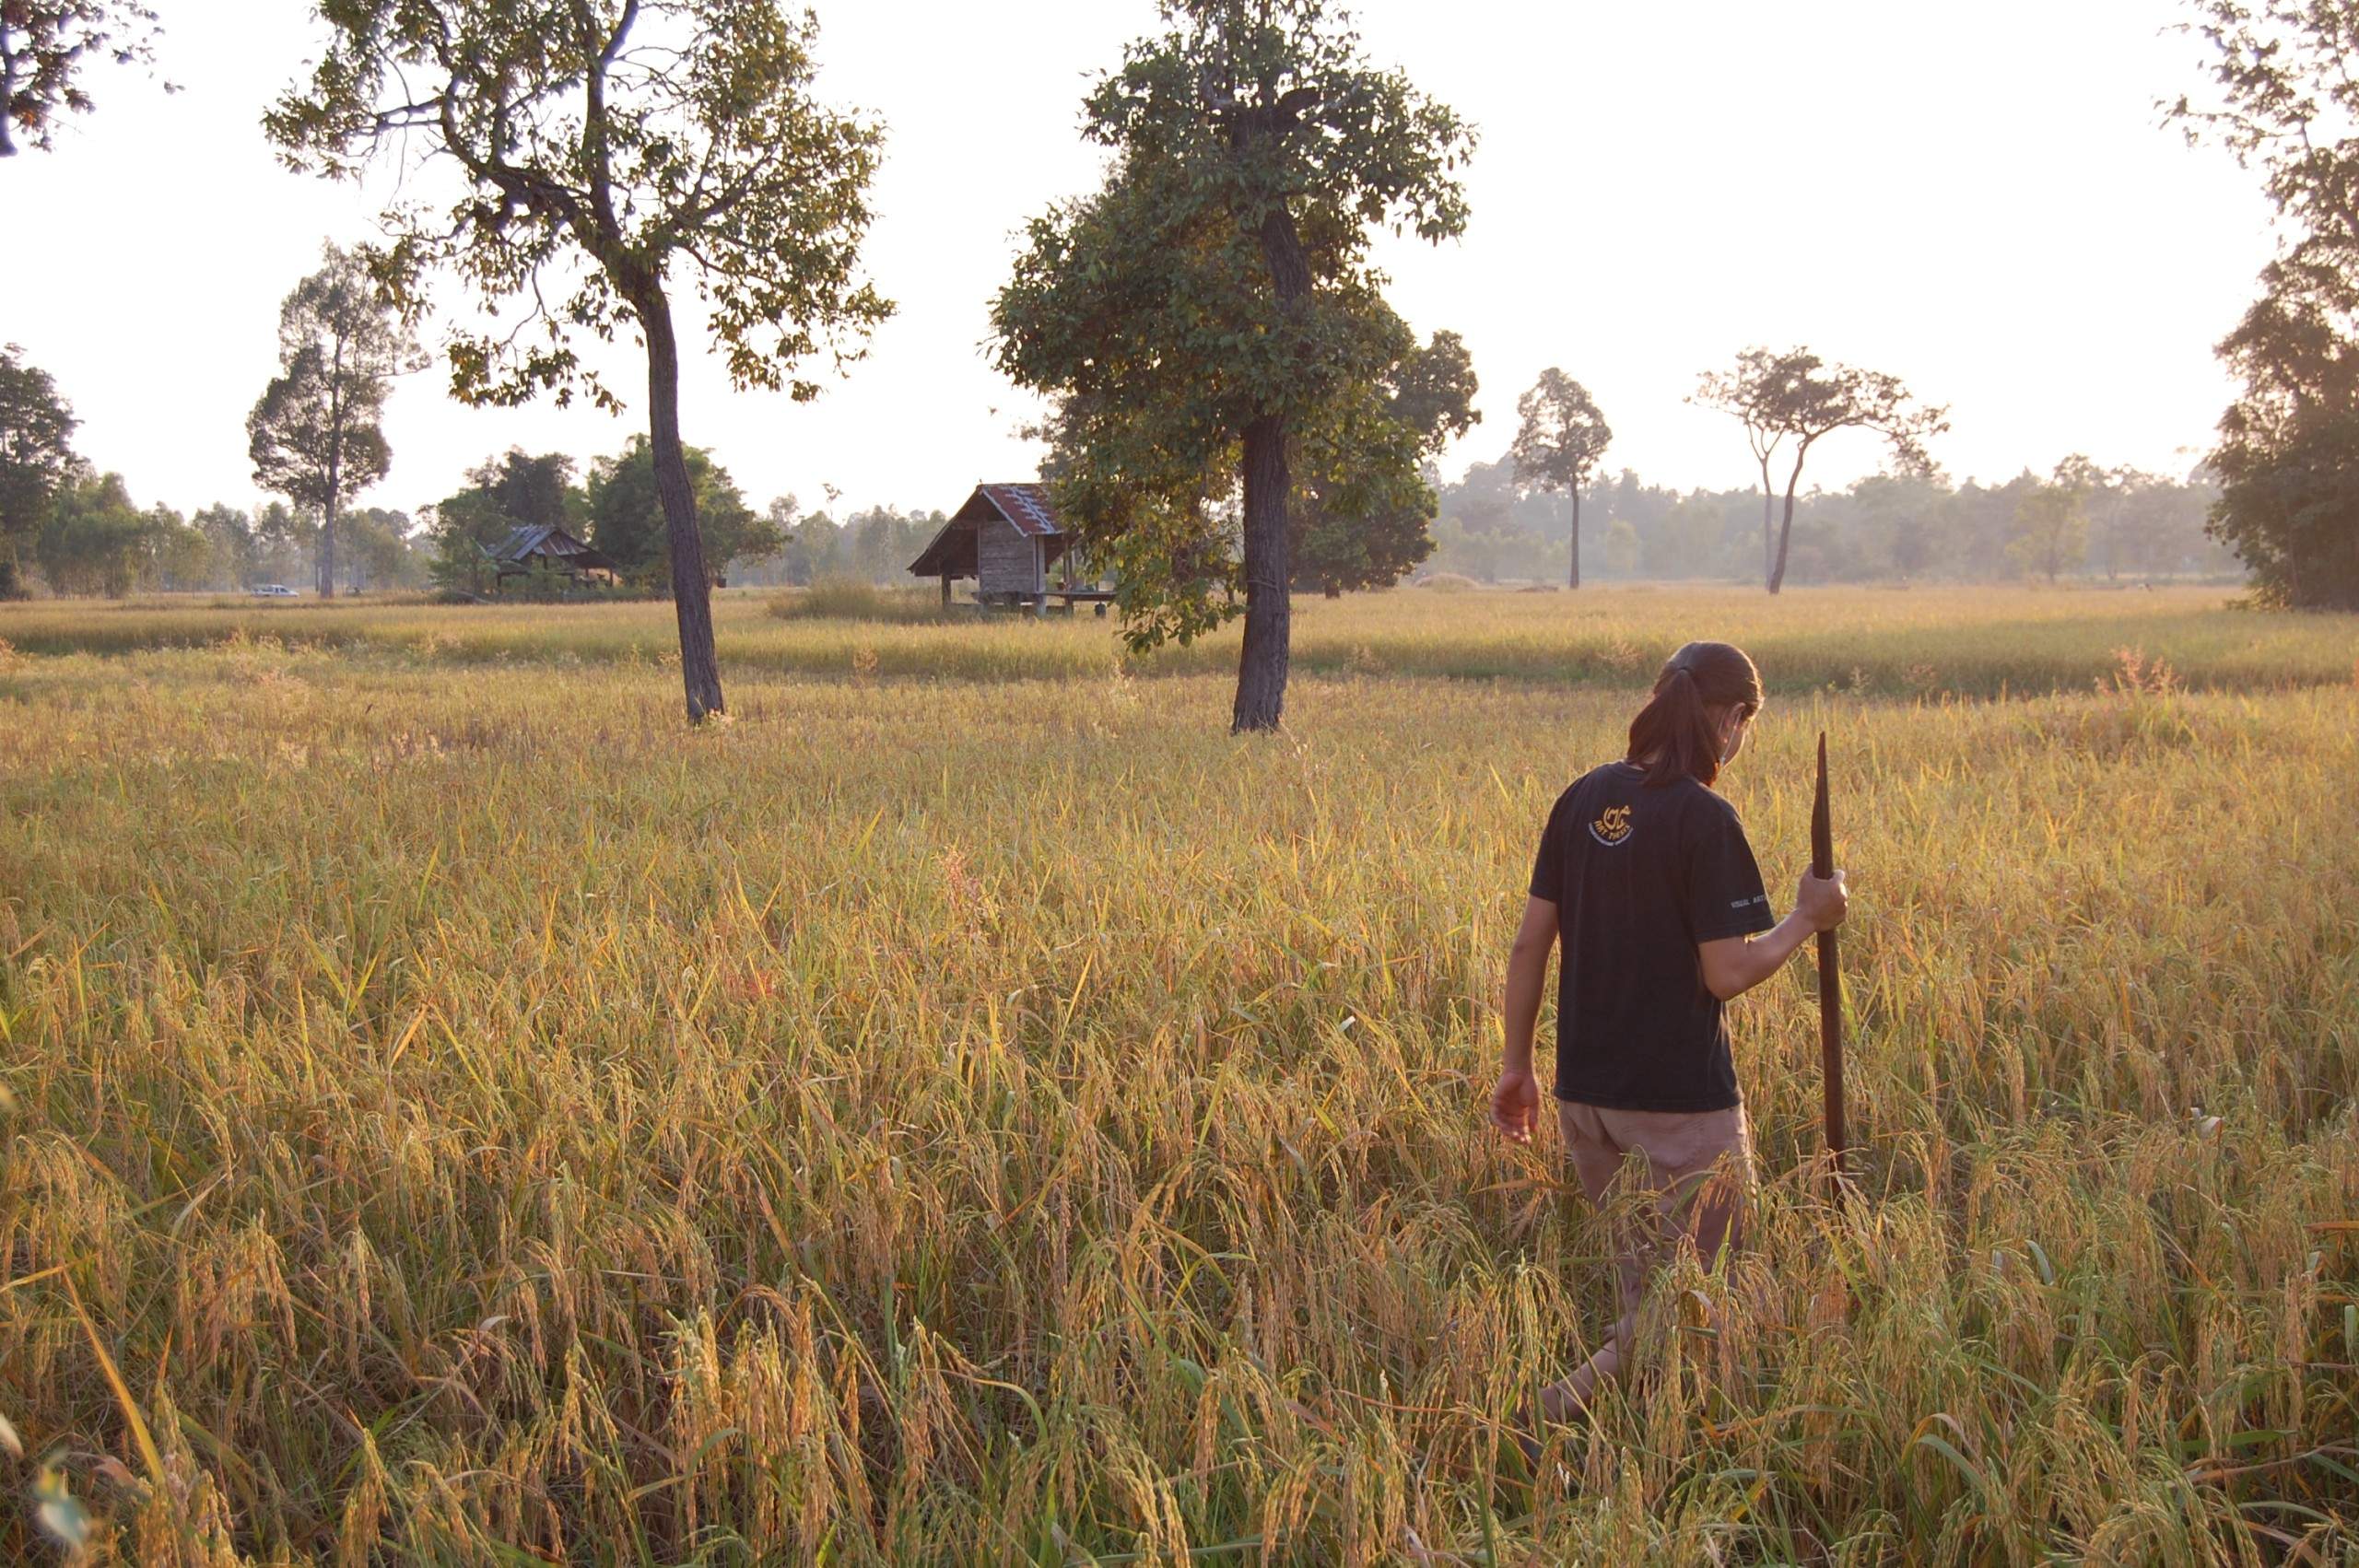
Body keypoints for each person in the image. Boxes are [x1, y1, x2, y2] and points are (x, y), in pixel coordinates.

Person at [1489, 640, 1848, 1426]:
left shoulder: (1581, 798)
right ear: (1730, 718)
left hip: (1587, 1099)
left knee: (1646, 1287)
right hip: (1680, 1108)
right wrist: (1805, 917)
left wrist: (1517, 1068)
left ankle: (1647, 1445)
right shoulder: (1705, 818)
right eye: (1746, 723)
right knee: (1692, 1294)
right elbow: (1727, 971)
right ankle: (1548, 1413)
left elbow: (1527, 945)